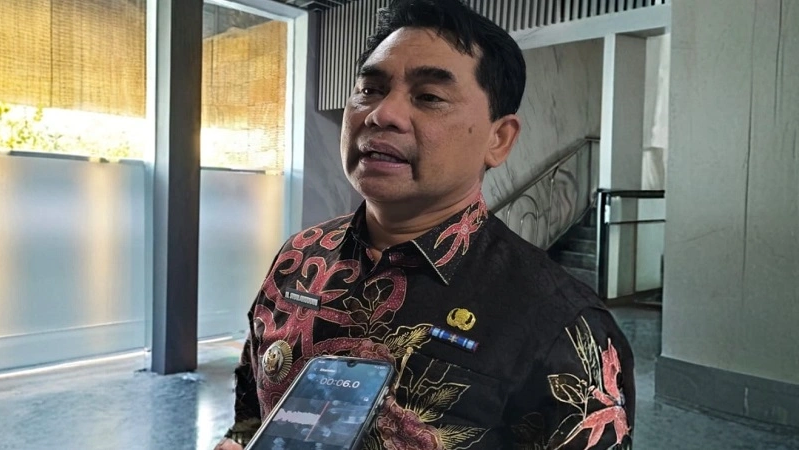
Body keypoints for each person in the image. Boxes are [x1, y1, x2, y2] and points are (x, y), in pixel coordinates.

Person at [215, 0, 634, 448]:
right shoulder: (300, 256)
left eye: (428, 97)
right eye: (370, 89)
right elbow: (251, 412)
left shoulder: (563, 324)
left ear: (499, 138)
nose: (381, 114)